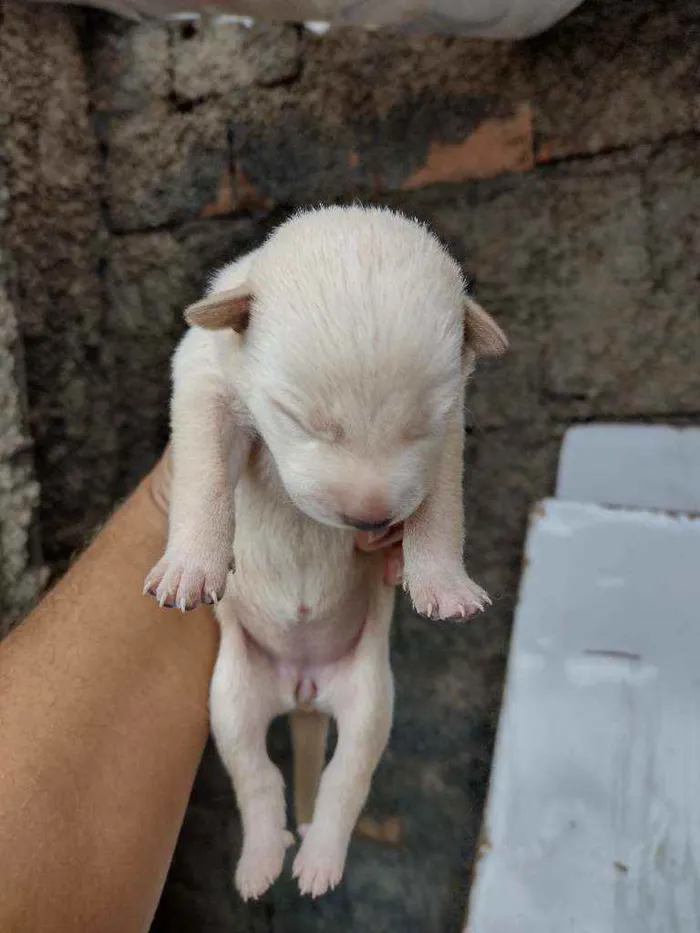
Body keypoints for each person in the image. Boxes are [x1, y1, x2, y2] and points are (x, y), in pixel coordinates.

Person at [0, 447, 403, 933]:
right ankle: (267, 823)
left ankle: (324, 827)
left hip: (342, 633)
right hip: (253, 633)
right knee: (240, 728)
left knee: (359, 730)